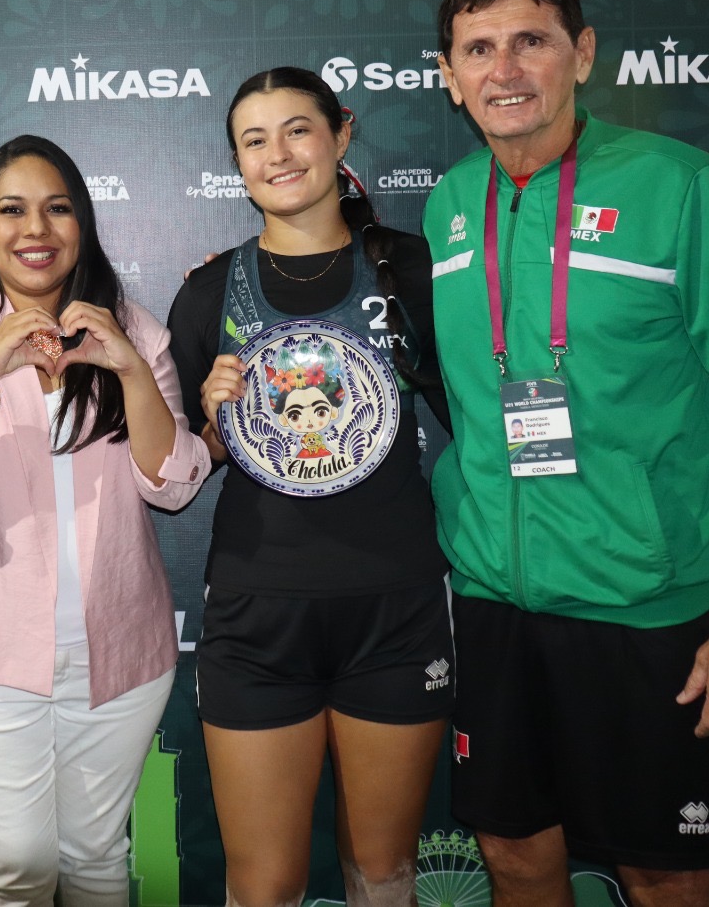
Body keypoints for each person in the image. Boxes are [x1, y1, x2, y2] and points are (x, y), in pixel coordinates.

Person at [427, 0, 709, 906]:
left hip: (649, 613)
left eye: (531, 42)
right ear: (449, 76)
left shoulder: (679, 187)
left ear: (583, 53)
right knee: (515, 859)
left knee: (662, 876)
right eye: (478, 49)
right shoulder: (447, 206)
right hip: (497, 607)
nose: (503, 71)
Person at [0, 135, 208, 906]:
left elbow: (172, 482)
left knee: (99, 858)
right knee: (16, 869)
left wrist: (129, 365)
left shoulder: (134, 327)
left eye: (57, 208)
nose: (36, 229)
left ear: (83, 224)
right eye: (12, 210)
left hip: (121, 651)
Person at [168, 68, 452, 907]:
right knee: (264, 885)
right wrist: (217, 424)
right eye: (254, 140)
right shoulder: (209, 289)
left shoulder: (412, 268)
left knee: (384, 876)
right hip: (261, 618)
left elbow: (480, 420)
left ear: (342, 134)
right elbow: (184, 462)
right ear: (236, 163)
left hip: (394, 609)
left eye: (297, 129)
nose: (278, 154)